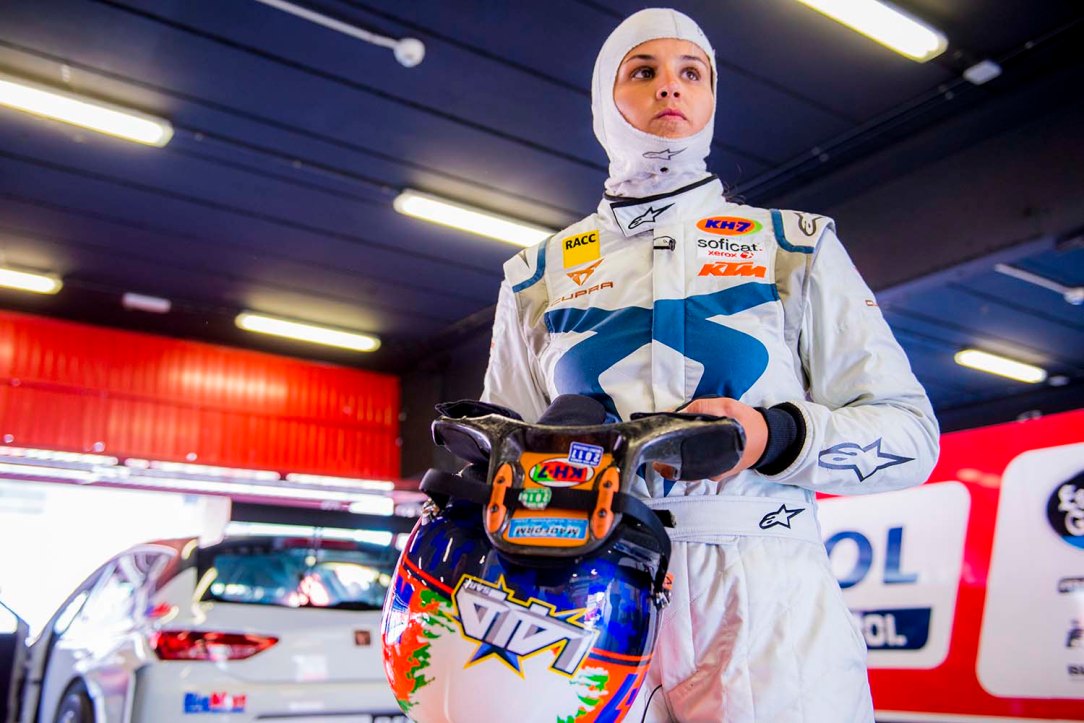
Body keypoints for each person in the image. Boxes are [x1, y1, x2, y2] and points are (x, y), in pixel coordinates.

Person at [481, 7, 939, 723]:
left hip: (769, 604)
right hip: (588, 596)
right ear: (604, 100)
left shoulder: (794, 246)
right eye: (644, 71)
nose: (670, 87)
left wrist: (773, 435)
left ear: (712, 98)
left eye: (691, 73)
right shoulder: (535, 276)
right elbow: (499, 459)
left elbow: (911, 436)